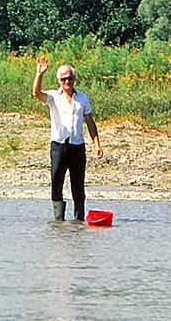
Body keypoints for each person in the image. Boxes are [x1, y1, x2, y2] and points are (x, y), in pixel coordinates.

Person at [32, 55, 103, 221]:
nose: (67, 82)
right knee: (56, 180)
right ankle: (59, 220)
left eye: (70, 78)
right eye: (63, 79)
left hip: (77, 146)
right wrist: (40, 73)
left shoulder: (82, 98)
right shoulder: (53, 97)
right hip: (58, 146)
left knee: (78, 184)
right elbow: (36, 93)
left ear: (74, 79)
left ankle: (79, 219)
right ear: (59, 80)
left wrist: (97, 144)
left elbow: (90, 123)